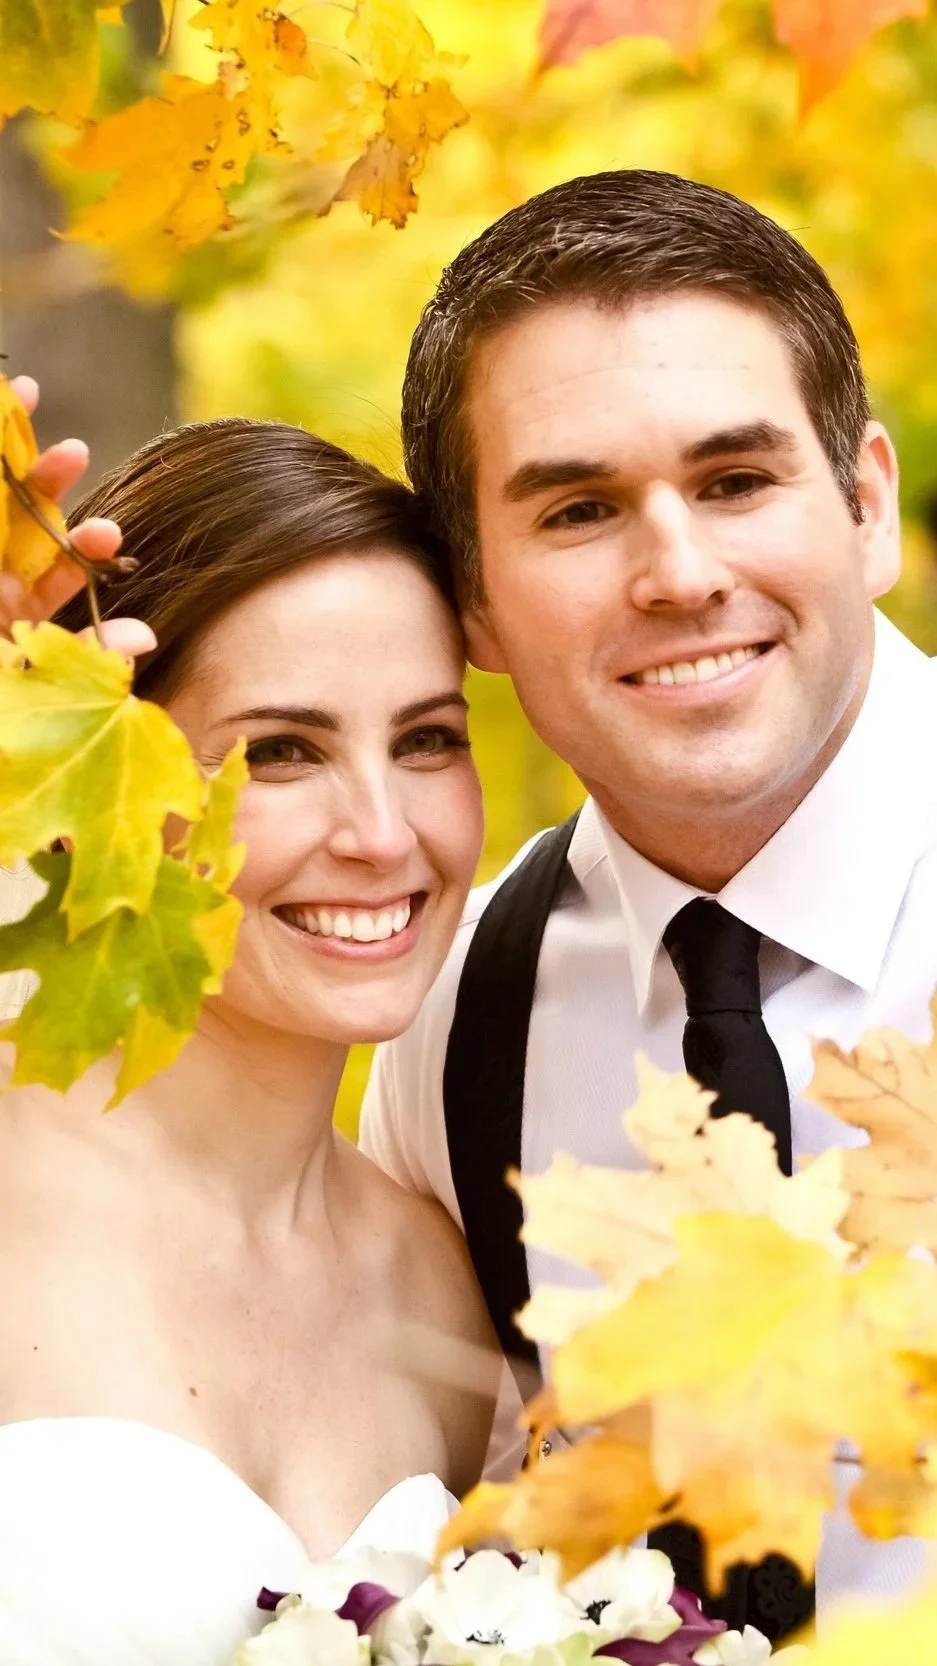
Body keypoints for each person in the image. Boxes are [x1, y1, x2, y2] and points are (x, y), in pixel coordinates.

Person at [359, 169, 937, 1639]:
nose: (678, 573)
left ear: (866, 505)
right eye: (578, 509)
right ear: (474, 604)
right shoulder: (448, 1018)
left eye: (737, 481)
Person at [0, 390, 496, 1662]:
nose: (383, 834)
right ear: (119, 773)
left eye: (429, 739)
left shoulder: (437, 1282)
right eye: (281, 751)